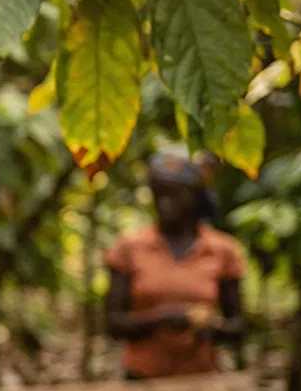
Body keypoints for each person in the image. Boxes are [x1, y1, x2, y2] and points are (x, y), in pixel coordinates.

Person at [104, 148, 247, 378]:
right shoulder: (128, 247)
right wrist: (163, 318)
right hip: (142, 376)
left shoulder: (223, 250)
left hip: (202, 377)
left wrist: (208, 326)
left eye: (175, 194)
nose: (165, 203)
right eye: (159, 194)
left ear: (196, 196)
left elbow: (237, 325)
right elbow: (113, 324)